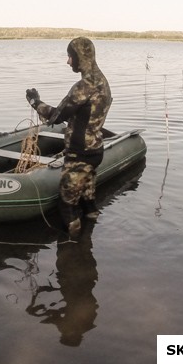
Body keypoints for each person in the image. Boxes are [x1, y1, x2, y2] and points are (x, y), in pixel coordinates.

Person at [26, 37, 112, 239]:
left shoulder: (84, 86)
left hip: (79, 155)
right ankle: (89, 241)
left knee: (67, 205)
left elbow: (57, 116)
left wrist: (34, 101)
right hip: (95, 150)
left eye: (70, 56)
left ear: (80, 57)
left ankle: (72, 252)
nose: (68, 61)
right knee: (88, 201)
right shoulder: (103, 82)